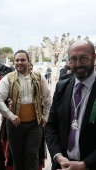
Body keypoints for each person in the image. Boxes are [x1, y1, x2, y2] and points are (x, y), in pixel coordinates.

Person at [0, 50, 51, 170]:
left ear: (28, 61)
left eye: (22, 60)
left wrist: (45, 116)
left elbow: (47, 98)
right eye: (17, 60)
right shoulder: (8, 78)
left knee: (32, 155)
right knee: (17, 157)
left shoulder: (38, 77)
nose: (19, 62)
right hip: (15, 125)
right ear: (14, 62)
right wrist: (10, 115)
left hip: (35, 124)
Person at [45, 39, 96, 170]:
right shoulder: (62, 87)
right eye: (73, 59)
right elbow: (51, 126)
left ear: (94, 57)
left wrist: (85, 165)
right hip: (62, 165)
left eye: (84, 58)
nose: (78, 64)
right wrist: (57, 156)